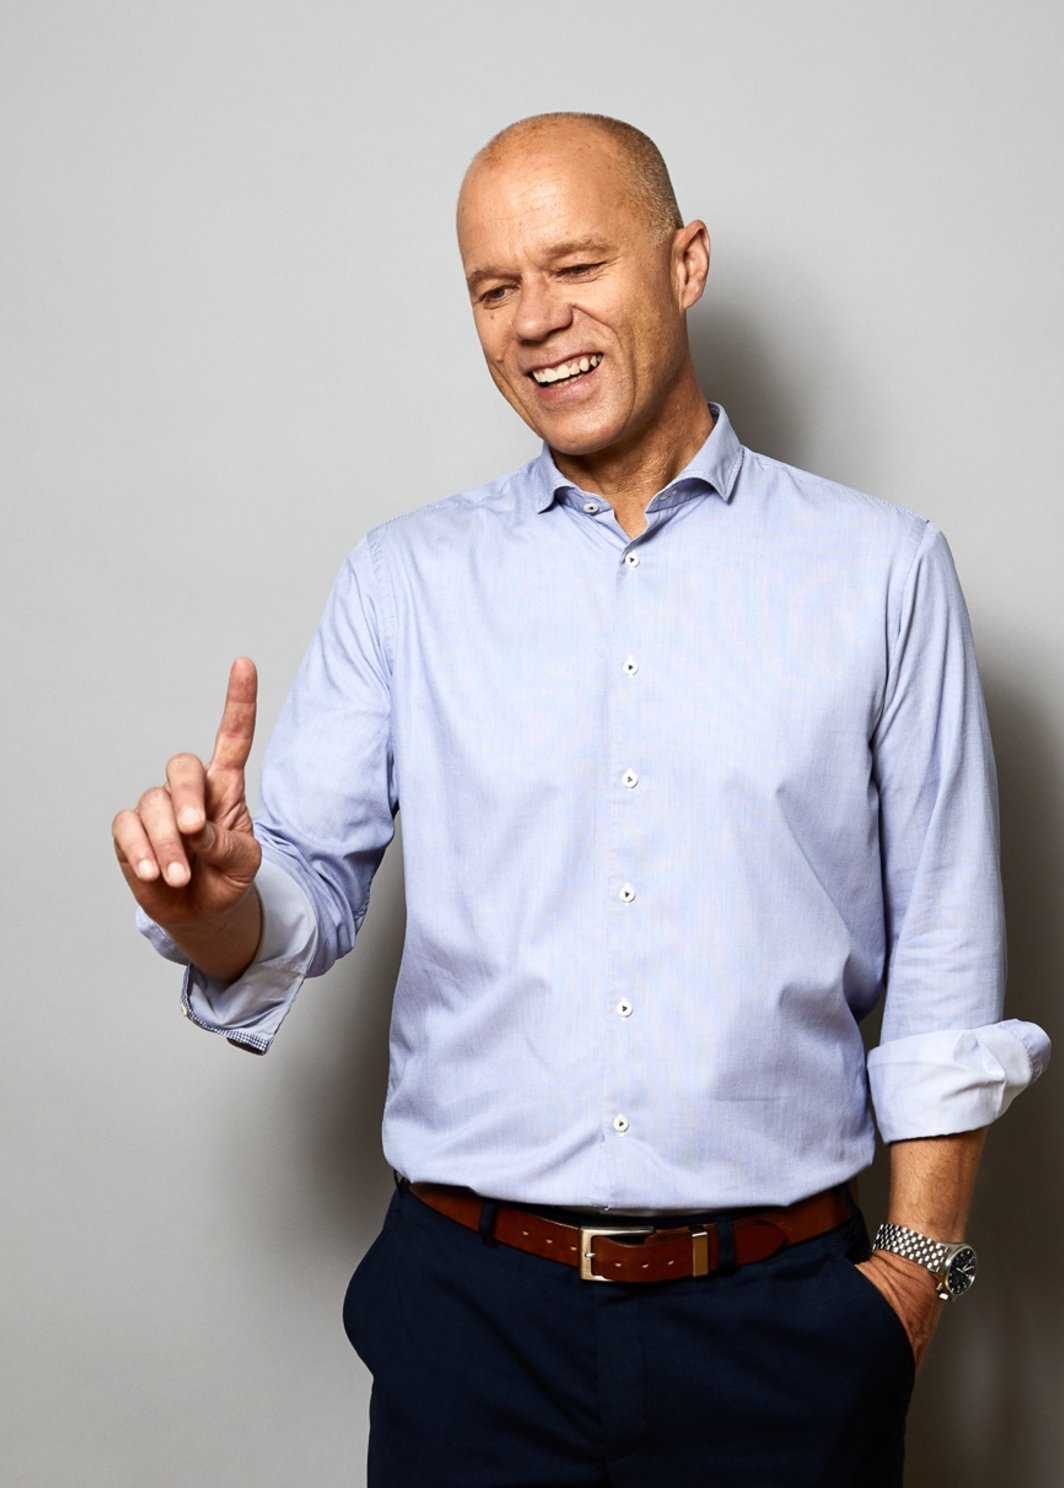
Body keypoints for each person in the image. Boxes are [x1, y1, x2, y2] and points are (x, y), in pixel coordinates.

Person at [113, 113, 1050, 1486]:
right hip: (470, 1324)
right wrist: (212, 908)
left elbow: (948, 958)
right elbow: (298, 894)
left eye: (575, 266)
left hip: (783, 1323)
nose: (535, 320)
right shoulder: (404, 580)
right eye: (494, 287)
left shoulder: (883, 573)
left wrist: (911, 1281)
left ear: (685, 262)